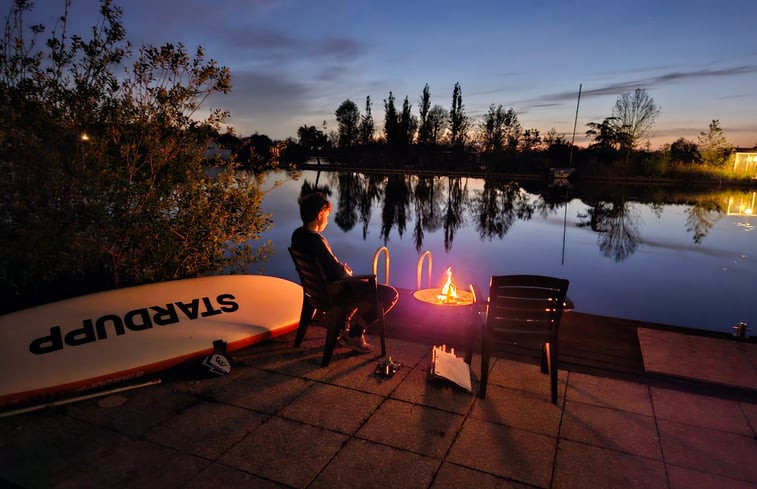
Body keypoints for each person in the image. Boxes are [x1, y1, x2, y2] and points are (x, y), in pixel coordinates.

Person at [291, 191, 398, 353]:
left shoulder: (298, 235)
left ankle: (343, 328)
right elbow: (338, 274)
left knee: (355, 286)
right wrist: (346, 272)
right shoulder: (316, 241)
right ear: (320, 215)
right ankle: (355, 334)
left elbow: (328, 267)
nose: (327, 220)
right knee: (390, 294)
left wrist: (341, 270)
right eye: (326, 216)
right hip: (332, 294)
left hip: (315, 292)